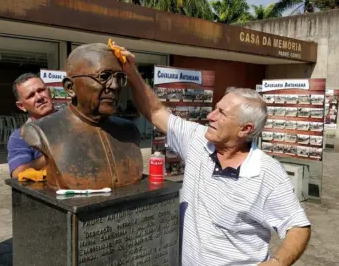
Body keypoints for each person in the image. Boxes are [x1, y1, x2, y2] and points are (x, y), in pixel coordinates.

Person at [114, 43, 311, 266]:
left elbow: (298, 227)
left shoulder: (267, 172)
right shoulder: (198, 140)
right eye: (215, 108)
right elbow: (156, 111)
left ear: (244, 129)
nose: (210, 116)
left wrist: (275, 264)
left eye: (221, 113)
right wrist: (131, 71)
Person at [18, 43, 143, 190]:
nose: (115, 86)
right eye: (104, 76)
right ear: (70, 88)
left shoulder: (129, 131)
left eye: (120, 78)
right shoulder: (42, 131)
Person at [7, 73, 55, 178]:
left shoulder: (71, 117)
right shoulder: (20, 136)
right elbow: (17, 173)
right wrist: (54, 154)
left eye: (41, 90)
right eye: (31, 95)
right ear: (21, 106)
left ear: (49, 91)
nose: (39, 97)